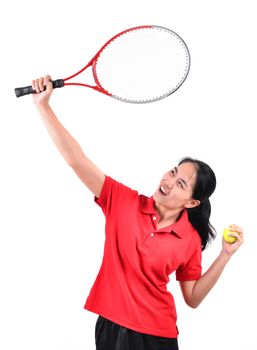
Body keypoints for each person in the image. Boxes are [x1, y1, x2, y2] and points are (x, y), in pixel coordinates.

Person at [31, 75, 244, 350]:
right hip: (109, 326)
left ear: (192, 203)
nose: (168, 181)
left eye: (180, 184)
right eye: (173, 172)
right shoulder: (122, 201)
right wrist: (43, 106)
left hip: (156, 336)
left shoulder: (189, 239)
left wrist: (225, 255)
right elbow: (76, 160)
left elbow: (192, 297)